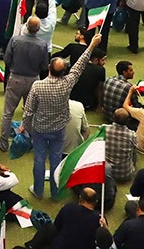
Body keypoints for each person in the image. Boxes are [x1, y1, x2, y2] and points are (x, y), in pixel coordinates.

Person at [19, 32, 103, 199]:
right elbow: (80, 65)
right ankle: (55, 192)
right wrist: (92, 45)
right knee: (56, 160)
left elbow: (28, 111)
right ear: (64, 71)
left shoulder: (37, 86)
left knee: (39, 159)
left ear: (49, 68)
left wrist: (24, 126)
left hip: (40, 129)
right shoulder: (67, 83)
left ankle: (38, 191)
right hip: (59, 129)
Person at [0, 15, 49, 149]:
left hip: (15, 79)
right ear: (38, 29)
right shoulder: (42, 45)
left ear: (26, 26)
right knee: (31, 113)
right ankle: (29, 141)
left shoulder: (15, 40)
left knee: (8, 113)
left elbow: (6, 59)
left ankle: (3, 143)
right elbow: (44, 66)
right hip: (33, 81)